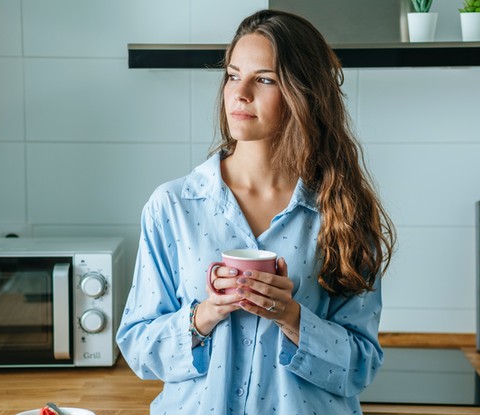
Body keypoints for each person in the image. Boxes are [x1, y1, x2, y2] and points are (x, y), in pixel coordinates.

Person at [117, 9, 395, 414]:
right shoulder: (173, 206)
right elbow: (140, 350)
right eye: (232, 75)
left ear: (305, 93)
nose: (239, 93)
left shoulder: (342, 209)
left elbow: (361, 366)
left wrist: (293, 317)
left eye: (264, 79)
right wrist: (204, 315)